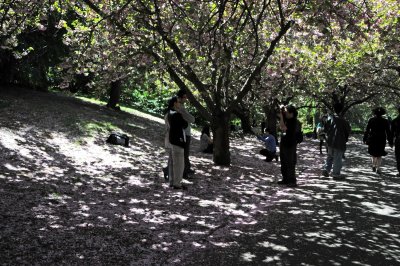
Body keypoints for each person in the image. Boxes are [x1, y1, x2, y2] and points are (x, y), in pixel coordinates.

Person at [322, 103, 351, 179]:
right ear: (341, 110)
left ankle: (326, 169)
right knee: (337, 158)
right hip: (339, 142)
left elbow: (325, 129)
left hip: (330, 141)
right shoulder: (343, 121)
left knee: (330, 156)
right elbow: (347, 131)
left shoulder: (330, 119)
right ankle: (335, 173)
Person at [363, 107, 392, 174]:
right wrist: (390, 141)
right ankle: (378, 168)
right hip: (381, 139)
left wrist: (364, 138)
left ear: (374, 113)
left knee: (373, 153)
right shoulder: (385, 121)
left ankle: (373, 165)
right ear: (382, 113)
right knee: (380, 153)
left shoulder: (371, 120)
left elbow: (367, 130)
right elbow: (388, 132)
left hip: (373, 138)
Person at [167, 96, 188, 189]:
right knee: (179, 164)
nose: (180, 104)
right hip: (178, 141)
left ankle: (172, 181)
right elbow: (185, 124)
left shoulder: (169, 114)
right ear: (175, 103)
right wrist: (181, 114)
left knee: (172, 162)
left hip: (172, 140)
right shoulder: (176, 115)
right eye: (178, 102)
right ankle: (177, 183)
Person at [278, 105, 301, 187]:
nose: (285, 113)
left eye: (287, 111)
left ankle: (292, 180)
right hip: (284, 143)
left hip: (290, 144)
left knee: (290, 162)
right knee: (283, 161)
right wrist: (281, 111)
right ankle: (285, 179)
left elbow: (283, 127)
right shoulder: (287, 118)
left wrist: (281, 117)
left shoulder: (294, 122)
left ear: (291, 113)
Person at [176, 89, 196, 178]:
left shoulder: (179, 106)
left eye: (186, 97)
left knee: (183, 153)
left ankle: (186, 169)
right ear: (180, 98)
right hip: (183, 133)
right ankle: (184, 172)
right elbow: (192, 119)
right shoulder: (180, 107)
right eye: (184, 97)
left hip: (184, 132)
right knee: (184, 154)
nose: (186, 99)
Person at [390, 106, 400, 177]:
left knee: (398, 156)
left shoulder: (395, 121)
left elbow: (391, 133)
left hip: (399, 140)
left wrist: (391, 142)